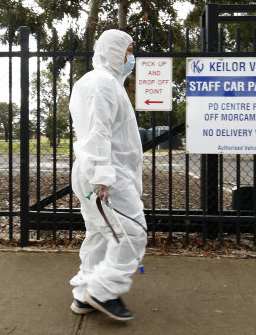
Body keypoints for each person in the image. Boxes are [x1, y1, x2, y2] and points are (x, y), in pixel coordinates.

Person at [68, 29, 147, 321]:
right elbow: (96, 130)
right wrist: (102, 174)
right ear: (114, 52)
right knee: (132, 233)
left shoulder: (108, 83)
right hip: (105, 174)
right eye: (128, 50)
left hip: (102, 171)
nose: (131, 56)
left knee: (102, 234)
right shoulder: (101, 83)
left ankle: (84, 294)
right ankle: (102, 291)